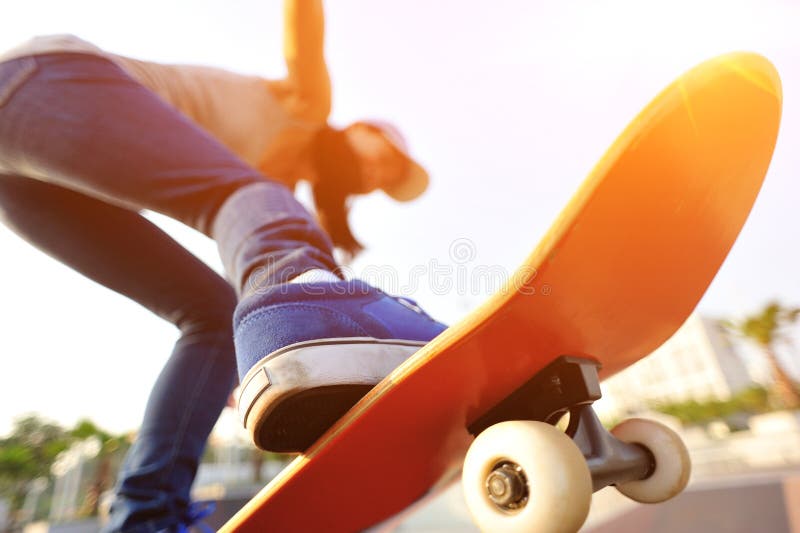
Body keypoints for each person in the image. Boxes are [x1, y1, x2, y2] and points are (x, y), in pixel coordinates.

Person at [0, 1, 445, 531]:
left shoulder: (270, 195)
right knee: (254, 204)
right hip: (43, 84)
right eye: (386, 157)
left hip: (25, 179)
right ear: (360, 128)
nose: (377, 174)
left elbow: (258, 242)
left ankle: (147, 513)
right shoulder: (308, 106)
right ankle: (310, 307)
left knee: (213, 316)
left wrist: (255, 360)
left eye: (384, 181)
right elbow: (304, 18)